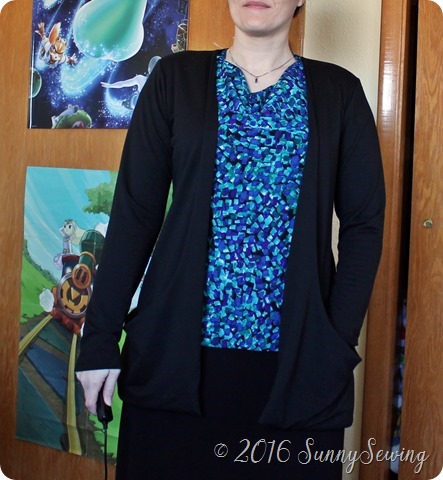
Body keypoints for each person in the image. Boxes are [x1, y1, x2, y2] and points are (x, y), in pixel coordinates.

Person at [76, 0, 385, 478]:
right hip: (172, 363)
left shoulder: (339, 92)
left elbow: (365, 223)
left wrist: (335, 341)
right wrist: (99, 339)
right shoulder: (175, 79)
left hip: (298, 374)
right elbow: (135, 213)